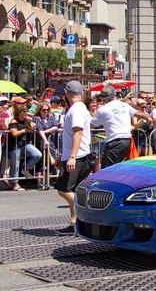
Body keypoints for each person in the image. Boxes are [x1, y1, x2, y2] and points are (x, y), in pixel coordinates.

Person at [55, 81, 95, 235]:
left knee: (63, 190)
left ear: (66, 93)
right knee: (74, 190)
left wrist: (71, 156)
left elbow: (77, 133)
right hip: (80, 154)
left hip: (77, 156)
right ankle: (74, 223)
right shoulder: (79, 108)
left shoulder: (76, 110)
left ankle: (86, 215)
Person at [91, 86, 150, 169]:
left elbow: (91, 125)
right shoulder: (124, 105)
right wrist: (147, 117)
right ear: (114, 94)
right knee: (119, 167)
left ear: (103, 98)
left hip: (115, 142)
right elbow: (137, 113)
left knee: (107, 170)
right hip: (127, 141)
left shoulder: (102, 110)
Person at [7, 104, 42, 191]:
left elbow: (33, 126)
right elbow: (14, 133)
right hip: (15, 146)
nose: (26, 113)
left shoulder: (27, 119)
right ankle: (15, 183)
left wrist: (32, 126)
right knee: (15, 164)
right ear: (19, 113)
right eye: (24, 111)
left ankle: (26, 168)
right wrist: (24, 130)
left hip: (25, 144)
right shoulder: (14, 121)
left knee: (37, 154)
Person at [32, 103, 60, 189]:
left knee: (50, 162)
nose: (46, 111)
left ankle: (47, 181)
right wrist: (45, 140)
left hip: (50, 141)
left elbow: (55, 127)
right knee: (40, 162)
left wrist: (46, 131)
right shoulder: (36, 118)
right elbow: (39, 129)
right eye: (44, 110)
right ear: (39, 110)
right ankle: (39, 182)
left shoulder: (50, 118)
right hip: (40, 141)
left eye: (47, 110)